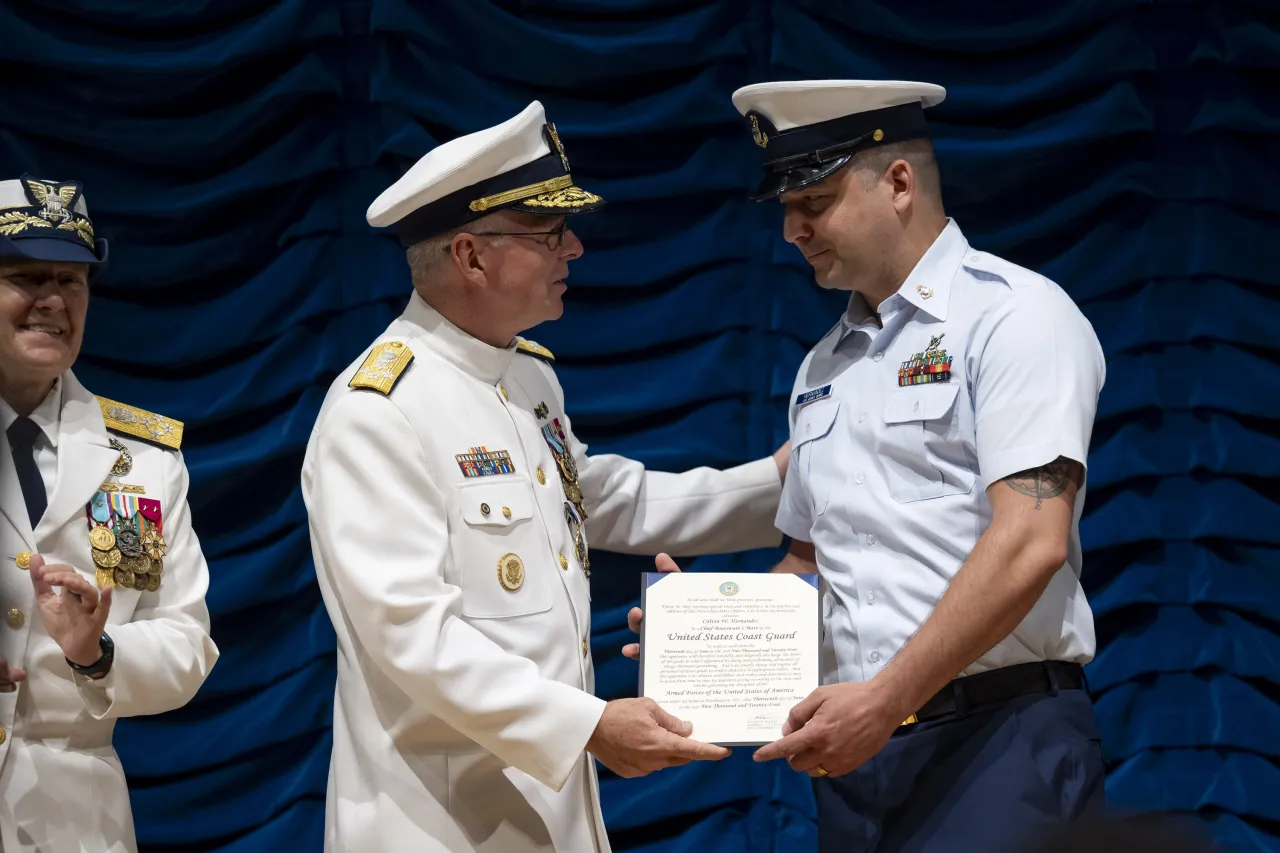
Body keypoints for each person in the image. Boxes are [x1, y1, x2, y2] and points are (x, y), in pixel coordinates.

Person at [631, 80, 1108, 852]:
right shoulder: (824, 366)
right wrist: (712, 630)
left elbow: (1032, 537)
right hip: (862, 758)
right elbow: (816, 559)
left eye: (813, 200)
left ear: (898, 184)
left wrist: (885, 699)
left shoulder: (1015, 315)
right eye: (785, 208)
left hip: (999, 740)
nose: (792, 229)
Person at [302, 101, 789, 853]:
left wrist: (792, 479)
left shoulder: (526, 378)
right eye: (550, 233)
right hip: (436, 822)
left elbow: (604, 500)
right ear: (471, 255)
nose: (577, 249)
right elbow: (412, 637)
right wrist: (590, 725)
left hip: (555, 814)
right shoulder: (378, 411)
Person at [0, 174, 219, 852]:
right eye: (28, 277)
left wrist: (96, 654)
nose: (54, 301)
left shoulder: (141, 462)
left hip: (76, 817)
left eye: (73, 281)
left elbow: (185, 641)